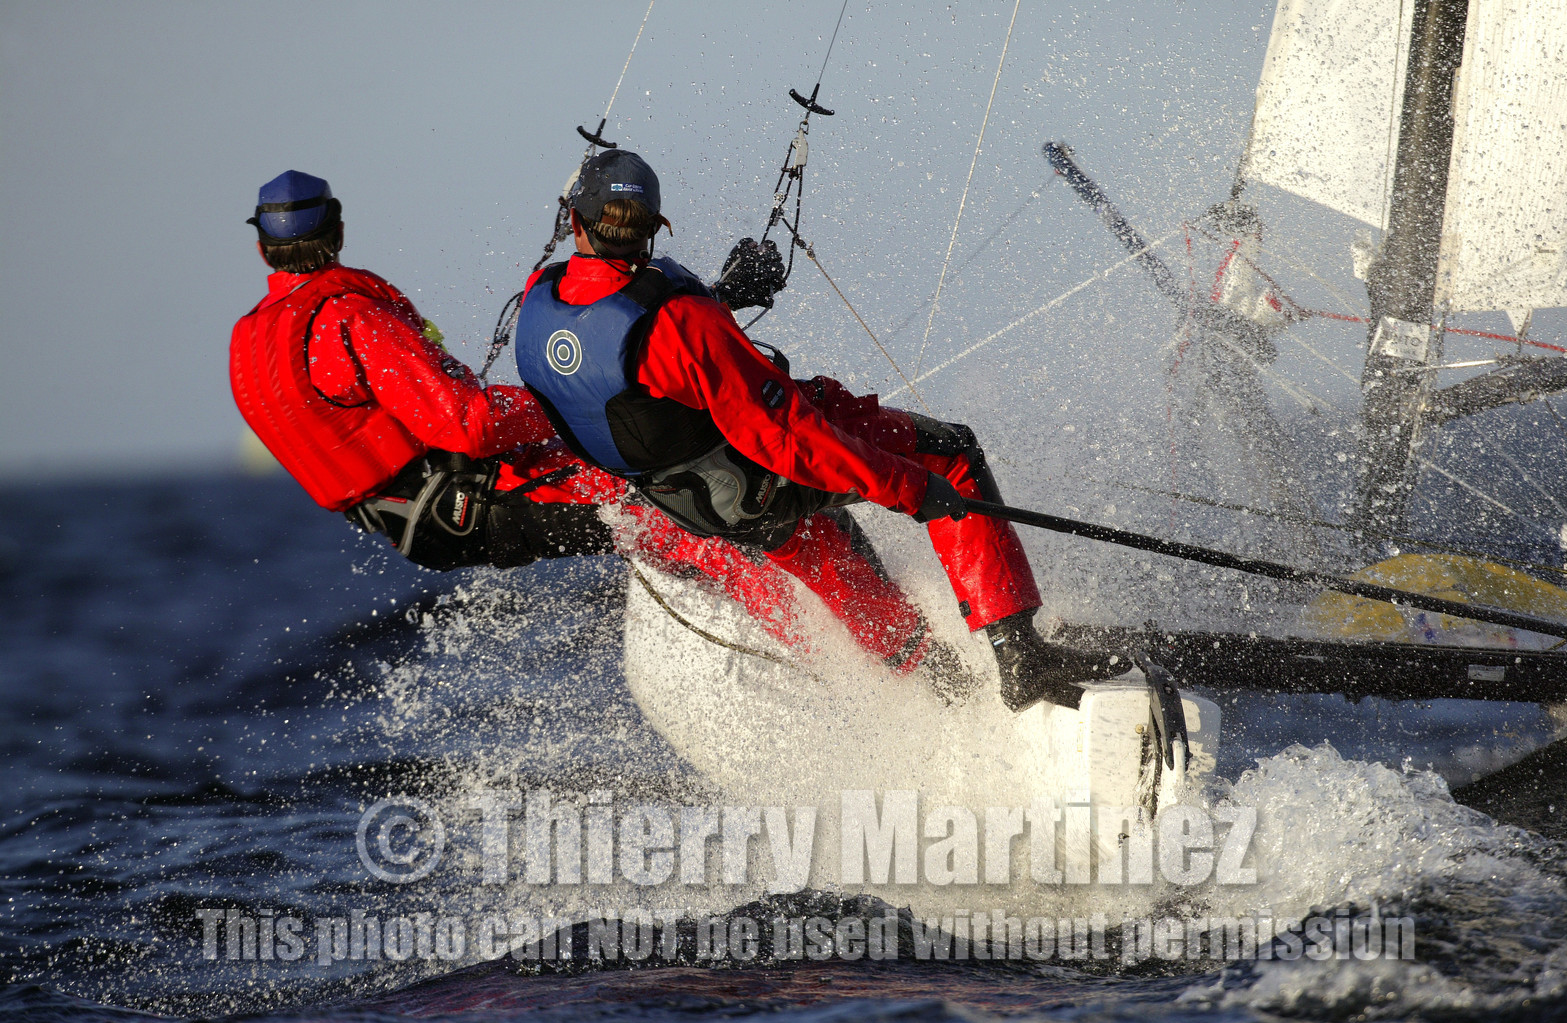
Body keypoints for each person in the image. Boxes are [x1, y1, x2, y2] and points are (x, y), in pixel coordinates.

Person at [229, 170, 960, 687]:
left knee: (695, 518)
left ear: (264, 247)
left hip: (415, 524)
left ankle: (870, 661)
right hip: (473, 500)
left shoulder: (249, 337)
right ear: (338, 228)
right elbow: (471, 423)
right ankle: (915, 677)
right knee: (707, 520)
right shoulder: (345, 319)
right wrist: (569, 394)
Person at [514, 150, 1117, 712]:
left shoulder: (538, 305)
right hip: (754, 478)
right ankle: (1022, 661)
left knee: (820, 544)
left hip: (692, 506)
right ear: (653, 230)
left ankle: (944, 686)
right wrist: (909, 489)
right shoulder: (681, 320)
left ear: (576, 223)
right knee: (949, 453)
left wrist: (723, 297)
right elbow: (788, 439)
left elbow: (636, 376)